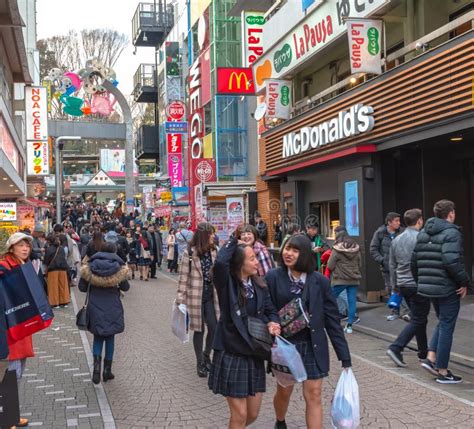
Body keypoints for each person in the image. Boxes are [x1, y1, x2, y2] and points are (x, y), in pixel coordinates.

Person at [266, 234, 352, 429]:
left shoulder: (319, 281)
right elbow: (266, 307)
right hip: (285, 346)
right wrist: (271, 322)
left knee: (313, 394)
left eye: (295, 250)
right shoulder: (273, 277)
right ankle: (280, 421)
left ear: (304, 254)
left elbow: (332, 319)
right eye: (287, 248)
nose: (288, 253)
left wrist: (344, 356)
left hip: (313, 345)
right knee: (284, 391)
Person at [208, 234, 280, 429]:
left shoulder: (259, 285)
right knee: (239, 415)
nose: (257, 261)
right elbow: (221, 262)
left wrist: (272, 323)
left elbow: (270, 310)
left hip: (254, 352)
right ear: (240, 263)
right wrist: (234, 239)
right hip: (231, 352)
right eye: (252, 258)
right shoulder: (226, 284)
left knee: (253, 414)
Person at [412, 200, 470, 384]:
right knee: (447, 326)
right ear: (451, 213)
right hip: (447, 287)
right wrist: (464, 281)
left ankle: (430, 357)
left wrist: (422, 280)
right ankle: (443, 371)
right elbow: (451, 261)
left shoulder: (423, 233)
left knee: (443, 321)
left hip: (428, 287)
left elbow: (414, 261)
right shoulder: (452, 232)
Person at [79, 242, 130, 384]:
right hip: (112, 306)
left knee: (98, 336)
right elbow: (126, 287)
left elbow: (82, 288)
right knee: (110, 337)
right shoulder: (119, 268)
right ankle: (107, 371)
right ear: (114, 251)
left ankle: (96, 368)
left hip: (95, 305)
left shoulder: (90, 267)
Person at [0, 233, 37, 428]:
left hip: (23, 328)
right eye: (20, 245)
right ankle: (7, 418)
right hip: (10, 330)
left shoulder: (24, 267)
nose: (25, 249)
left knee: (18, 373)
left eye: (27, 246)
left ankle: (12, 415)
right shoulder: (4, 267)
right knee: (10, 374)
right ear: (11, 248)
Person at [176, 223, 220, 377]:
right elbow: (183, 277)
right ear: (204, 235)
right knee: (199, 329)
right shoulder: (189, 252)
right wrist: (180, 297)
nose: (213, 236)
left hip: (211, 295)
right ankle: (200, 362)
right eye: (211, 234)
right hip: (195, 295)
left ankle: (207, 354)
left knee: (214, 327)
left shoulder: (214, 251)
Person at [386, 208, 429, 368]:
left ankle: (423, 353)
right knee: (418, 319)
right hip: (417, 284)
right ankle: (396, 347)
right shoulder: (421, 238)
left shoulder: (396, 239)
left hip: (403, 285)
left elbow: (392, 265)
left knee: (419, 318)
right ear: (419, 221)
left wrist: (394, 287)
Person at [370, 212, 408, 321]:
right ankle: (395, 312)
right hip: (387, 268)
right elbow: (373, 249)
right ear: (389, 222)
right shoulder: (380, 233)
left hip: (401, 267)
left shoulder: (403, 232)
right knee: (391, 289)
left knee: (404, 288)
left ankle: (406, 312)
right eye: (396, 221)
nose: (399, 223)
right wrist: (382, 261)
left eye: (399, 221)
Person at [327, 234, 362, 334]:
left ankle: (331, 320)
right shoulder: (356, 250)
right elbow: (359, 264)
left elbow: (330, 265)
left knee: (329, 299)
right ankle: (349, 325)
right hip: (353, 279)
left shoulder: (337, 250)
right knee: (352, 302)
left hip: (340, 280)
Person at [44, 233, 70, 309]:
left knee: (53, 286)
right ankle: (64, 302)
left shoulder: (49, 249)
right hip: (63, 268)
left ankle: (55, 303)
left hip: (53, 269)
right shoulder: (61, 248)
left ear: (49, 241)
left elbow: (46, 260)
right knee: (63, 286)